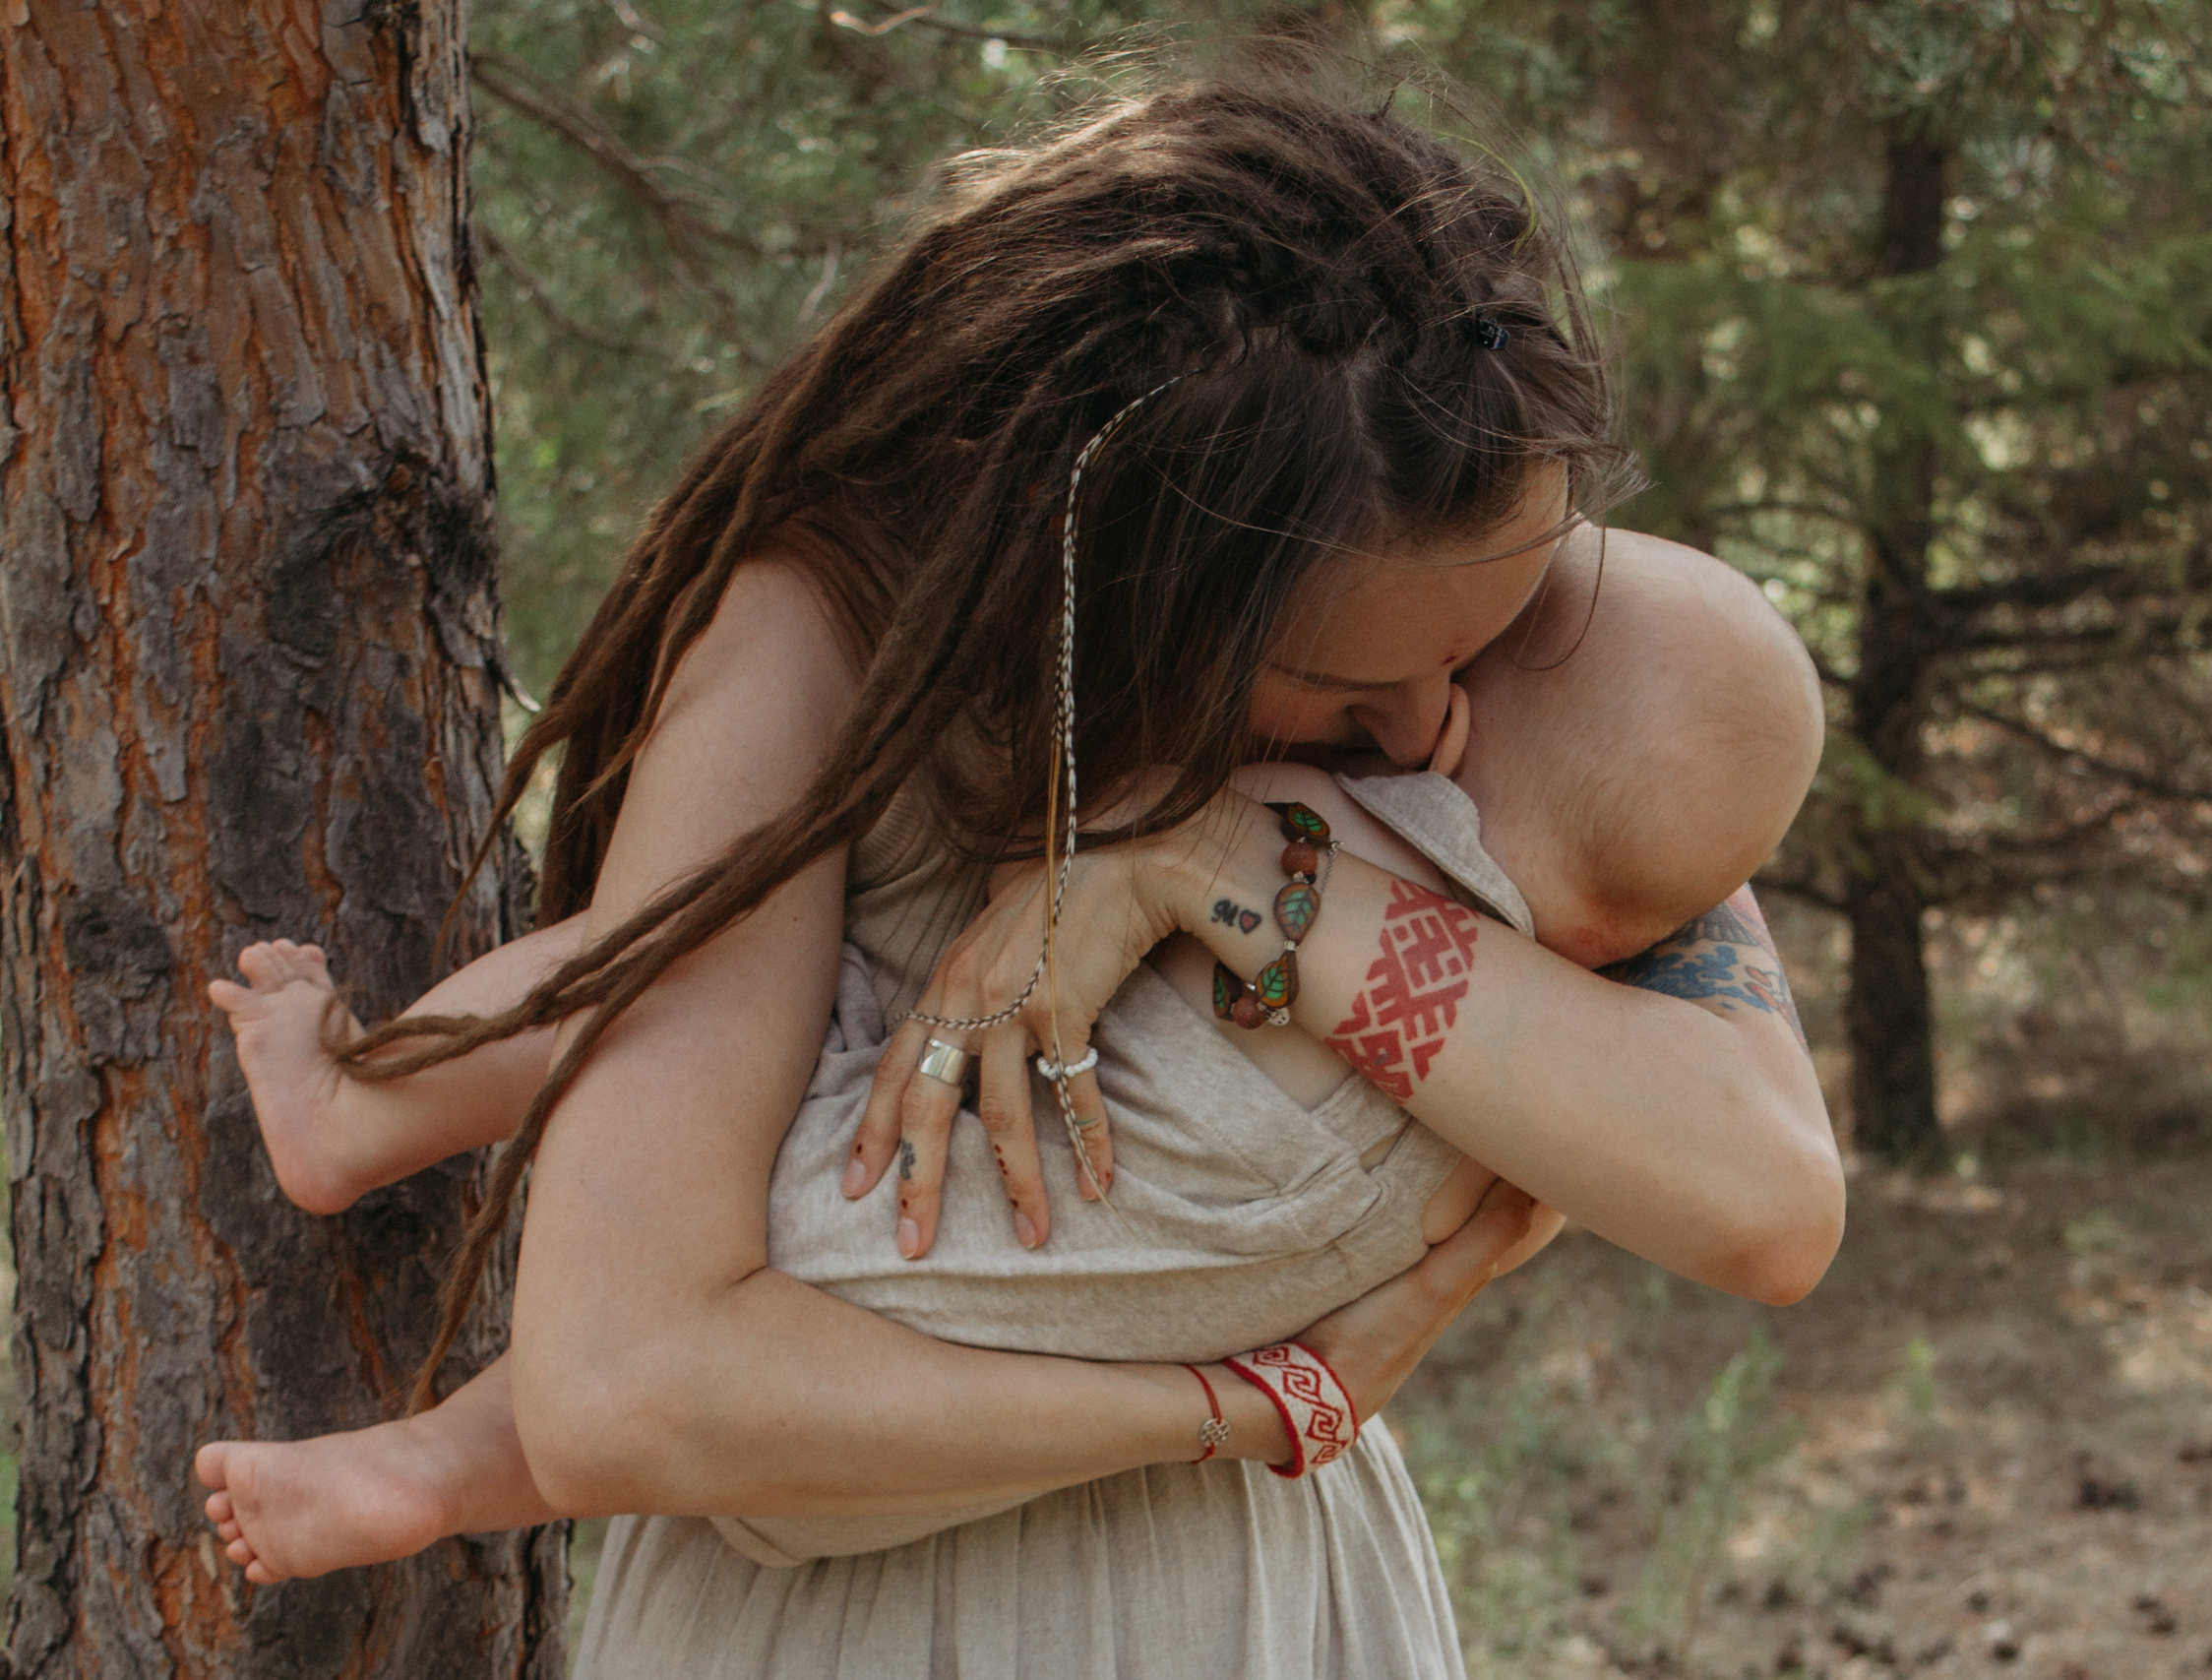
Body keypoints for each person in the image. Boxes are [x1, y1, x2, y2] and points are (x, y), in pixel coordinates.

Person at [198, 65, 1841, 1676]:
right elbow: (625, 1386)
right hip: (876, 1620)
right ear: (1150, 584)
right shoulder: (829, 643)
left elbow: (1759, 1201)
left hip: (1276, 1605)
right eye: (1344, 698)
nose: (1430, 734)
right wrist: (1249, 1405)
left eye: (1488, 644)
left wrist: (1221, 861)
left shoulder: (1492, 618)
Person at [196, 529, 1823, 1582]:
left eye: (1450, 667)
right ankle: (420, 1451)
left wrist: (1188, 846)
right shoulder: (1593, 914)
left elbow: (1773, 1206)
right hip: (990, 1441)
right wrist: (1261, 1400)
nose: (1406, 709)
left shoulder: (1363, 788)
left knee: (708, 978)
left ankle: (372, 1130)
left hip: (836, 1383)